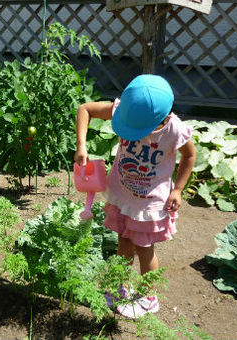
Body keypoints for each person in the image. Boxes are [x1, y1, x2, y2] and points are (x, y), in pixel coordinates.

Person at [74, 74, 196, 318]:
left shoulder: (174, 130)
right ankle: (120, 287)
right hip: (122, 193)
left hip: (148, 203)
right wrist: (81, 145)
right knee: (123, 242)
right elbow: (85, 109)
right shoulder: (123, 110)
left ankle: (149, 296)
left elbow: (190, 156)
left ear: (162, 117)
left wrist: (178, 189)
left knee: (144, 248)